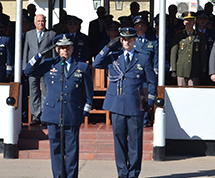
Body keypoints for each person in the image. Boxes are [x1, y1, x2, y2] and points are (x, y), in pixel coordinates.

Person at [24, 34, 93, 178]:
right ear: (57, 50)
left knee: (72, 150)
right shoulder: (50, 63)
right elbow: (28, 71)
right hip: (53, 112)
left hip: (72, 113)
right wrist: (38, 55)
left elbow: (88, 91)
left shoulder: (82, 66)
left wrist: (87, 107)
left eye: (67, 48)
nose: (65, 51)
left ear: (72, 49)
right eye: (61, 48)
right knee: (55, 149)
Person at [93, 27, 157, 178]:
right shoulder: (113, 56)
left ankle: (133, 173)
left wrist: (150, 100)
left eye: (129, 39)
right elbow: (96, 63)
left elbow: (151, 81)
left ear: (134, 40)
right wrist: (108, 46)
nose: (126, 42)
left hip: (135, 104)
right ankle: (122, 173)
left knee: (135, 142)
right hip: (117, 104)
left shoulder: (143, 58)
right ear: (120, 40)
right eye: (123, 39)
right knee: (119, 142)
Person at [23, 14, 57, 125]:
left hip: (46, 67)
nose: (40, 23)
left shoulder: (51, 34)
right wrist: (25, 67)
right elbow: (25, 52)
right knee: (33, 91)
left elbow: (53, 53)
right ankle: (35, 115)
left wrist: (53, 67)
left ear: (45, 22)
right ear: (34, 22)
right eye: (38, 21)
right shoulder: (29, 34)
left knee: (46, 91)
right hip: (32, 68)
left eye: (42, 21)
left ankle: (44, 115)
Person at [170, 12, 207, 86]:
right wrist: (174, 69)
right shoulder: (178, 35)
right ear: (184, 22)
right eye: (187, 20)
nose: (189, 22)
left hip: (195, 69)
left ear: (194, 22)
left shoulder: (200, 35)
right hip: (181, 69)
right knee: (181, 93)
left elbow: (203, 54)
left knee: (193, 93)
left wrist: (203, 69)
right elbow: (174, 53)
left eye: (191, 20)